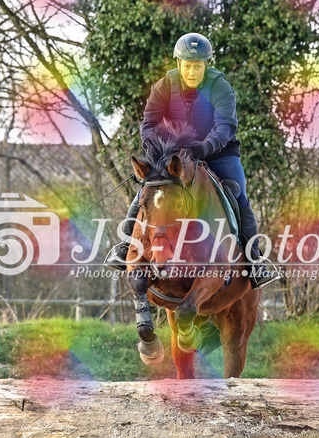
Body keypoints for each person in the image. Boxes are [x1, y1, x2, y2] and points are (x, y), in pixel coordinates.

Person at [105, 32, 279, 289]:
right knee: (147, 191)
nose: (192, 72)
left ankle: (255, 261)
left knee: (239, 195)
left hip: (218, 153)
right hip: (173, 156)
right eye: (187, 66)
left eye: (198, 66)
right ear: (179, 63)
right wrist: (157, 148)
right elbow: (149, 124)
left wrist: (203, 147)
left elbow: (225, 127)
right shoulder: (163, 86)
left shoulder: (220, 87)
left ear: (206, 65)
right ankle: (125, 246)